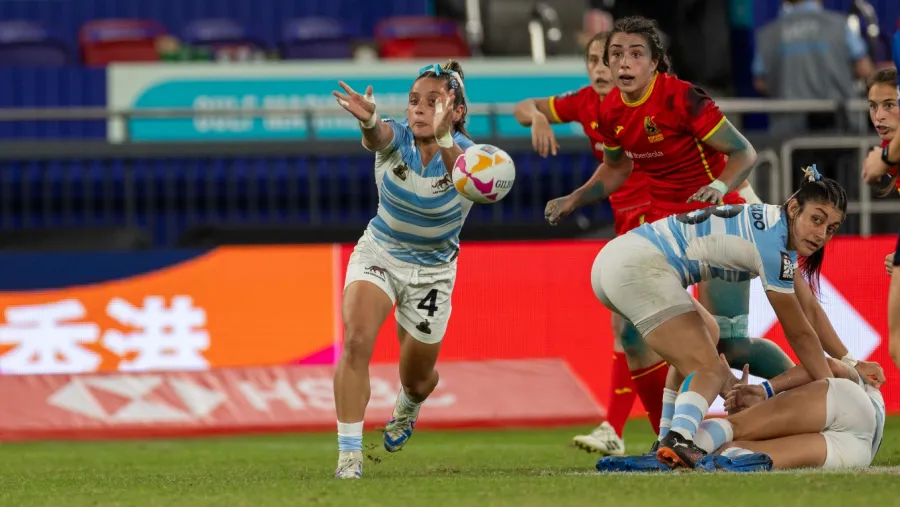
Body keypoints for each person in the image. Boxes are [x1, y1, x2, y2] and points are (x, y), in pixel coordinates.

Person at [545, 15, 794, 445]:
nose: (623, 63)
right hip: (668, 235)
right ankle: (661, 436)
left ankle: (808, 391)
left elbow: (744, 152)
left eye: (635, 54)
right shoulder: (609, 109)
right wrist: (576, 198)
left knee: (730, 346)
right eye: (615, 54)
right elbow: (616, 168)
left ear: (655, 62)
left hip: (720, 226)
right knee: (633, 334)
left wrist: (719, 187)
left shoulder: (683, 98)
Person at [589, 166, 850, 469]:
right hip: (637, 266)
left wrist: (849, 361)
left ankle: (665, 439)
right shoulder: (774, 247)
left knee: (708, 334)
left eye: (831, 228)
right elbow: (800, 333)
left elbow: (810, 309)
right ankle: (678, 439)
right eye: (817, 220)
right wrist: (834, 393)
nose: (821, 234)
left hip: (618, 257)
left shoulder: (774, 225)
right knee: (709, 368)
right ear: (794, 208)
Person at [514, 31, 665, 456]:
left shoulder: (642, 102)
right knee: (631, 331)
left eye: (608, 59)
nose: (601, 69)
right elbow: (521, 107)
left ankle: (653, 430)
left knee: (638, 330)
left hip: (658, 216)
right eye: (594, 61)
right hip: (626, 221)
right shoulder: (583, 103)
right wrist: (539, 117)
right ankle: (648, 432)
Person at [330, 60, 477, 479]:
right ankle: (349, 457)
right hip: (380, 254)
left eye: (433, 101)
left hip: (433, 274)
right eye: (414, 100)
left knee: (417, 380)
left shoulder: (472, 158)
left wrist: (445, 138)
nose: (419, 109)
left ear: (457, 112)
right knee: (356, 340)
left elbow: (472, 182)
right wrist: (369, 121)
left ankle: (409, 405)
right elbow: (379, 135)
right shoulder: (397, 140)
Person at [693, 354, 886, 471]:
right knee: (731, 452)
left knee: (732, 427)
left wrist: (764, 390)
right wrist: (745, 412)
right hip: (856, 454)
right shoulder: (867, 381)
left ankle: (680, 441)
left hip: (853, 408)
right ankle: (687, 452)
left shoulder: (861, 375)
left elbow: (832, 366)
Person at [861, 68, 899, 275]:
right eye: (873, 106)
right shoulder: (889, 151)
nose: (878, 116)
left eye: (889, 105)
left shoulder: (888, 155)